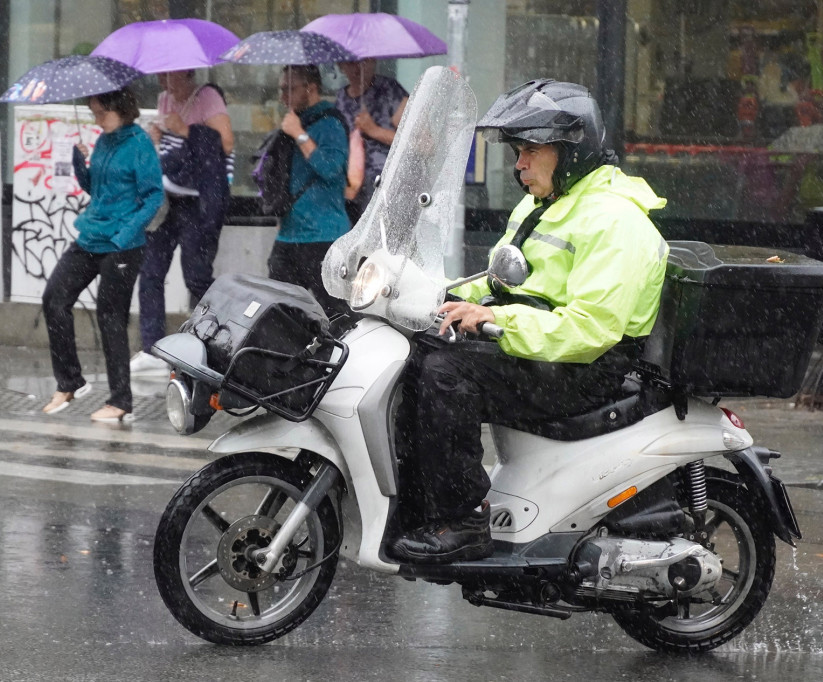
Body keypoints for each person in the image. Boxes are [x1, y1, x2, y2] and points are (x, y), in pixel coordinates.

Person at [388, 79, 669, 563]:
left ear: (570, 151)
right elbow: (501, 280)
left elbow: (588, 330)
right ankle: (418, 502)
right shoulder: (543, 203)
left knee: (447, 374)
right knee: (414, 352)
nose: (518, 164)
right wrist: (440, 297)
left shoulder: (617, 222)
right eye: (518, 151)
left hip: (586, 369)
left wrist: (496, 320)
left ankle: (464, 518)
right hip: (541, 348)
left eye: (530, 151)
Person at [41, 87, 164, 422]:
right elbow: (96, 189)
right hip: (91, 235)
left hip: (123, 244)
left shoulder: (139, 144)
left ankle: (120, 401)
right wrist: (80, 165)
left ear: (119, 108)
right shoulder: (104, 140)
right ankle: (70, 382)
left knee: (110, 317)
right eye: (93, 112)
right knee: (54, 299)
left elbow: (153, 196)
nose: (96, 118)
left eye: (100, 113)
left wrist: (127, 233)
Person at [130, 69, 234, 375]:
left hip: (197, 200)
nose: (164, 83)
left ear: (185, 73)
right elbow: (171, 151)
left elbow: (225, 144)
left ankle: (223, 338)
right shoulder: (164, 99)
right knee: (150, 271)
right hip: (168, 196)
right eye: (160, 77)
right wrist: (157, 138)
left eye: (169, 76)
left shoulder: (206, 97)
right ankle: (152, 348)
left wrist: (186, 128)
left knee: (197, 276)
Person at [270, 64, 350, 319]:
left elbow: (331, 168)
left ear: (311, 88)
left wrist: (300, 135)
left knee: (335, 314)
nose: (283, 96)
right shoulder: (292, 121)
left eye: (289, 89)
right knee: (279, 312)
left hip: (323, 236)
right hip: (289, 234)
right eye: (281, 89)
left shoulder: (331, 123)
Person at [335, 58, 408, 224]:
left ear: (374, 60)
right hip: (351, 191)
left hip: (386, 187)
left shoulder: (389, 90)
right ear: (340, 65)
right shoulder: (341, 98)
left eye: (364, 60)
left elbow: (422, 143)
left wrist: (375, 131)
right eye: (351, 61)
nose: (358, 67)